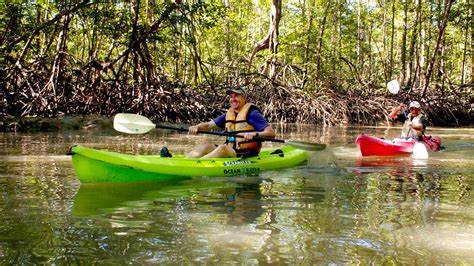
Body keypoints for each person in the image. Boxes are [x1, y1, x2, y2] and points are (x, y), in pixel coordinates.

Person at [185, 86, 276, 158]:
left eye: (236, 96)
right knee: (206, 146)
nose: (233, 99)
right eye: (231, 97)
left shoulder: (252, 114)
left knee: (223, 148)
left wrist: (254, 134)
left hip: (246, 154)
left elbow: (271, 133)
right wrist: (197, 127)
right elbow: (208, 125)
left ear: (244, 98)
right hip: (231, 151)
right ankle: (186, 162)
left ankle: (198, 166)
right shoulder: (228, 114)